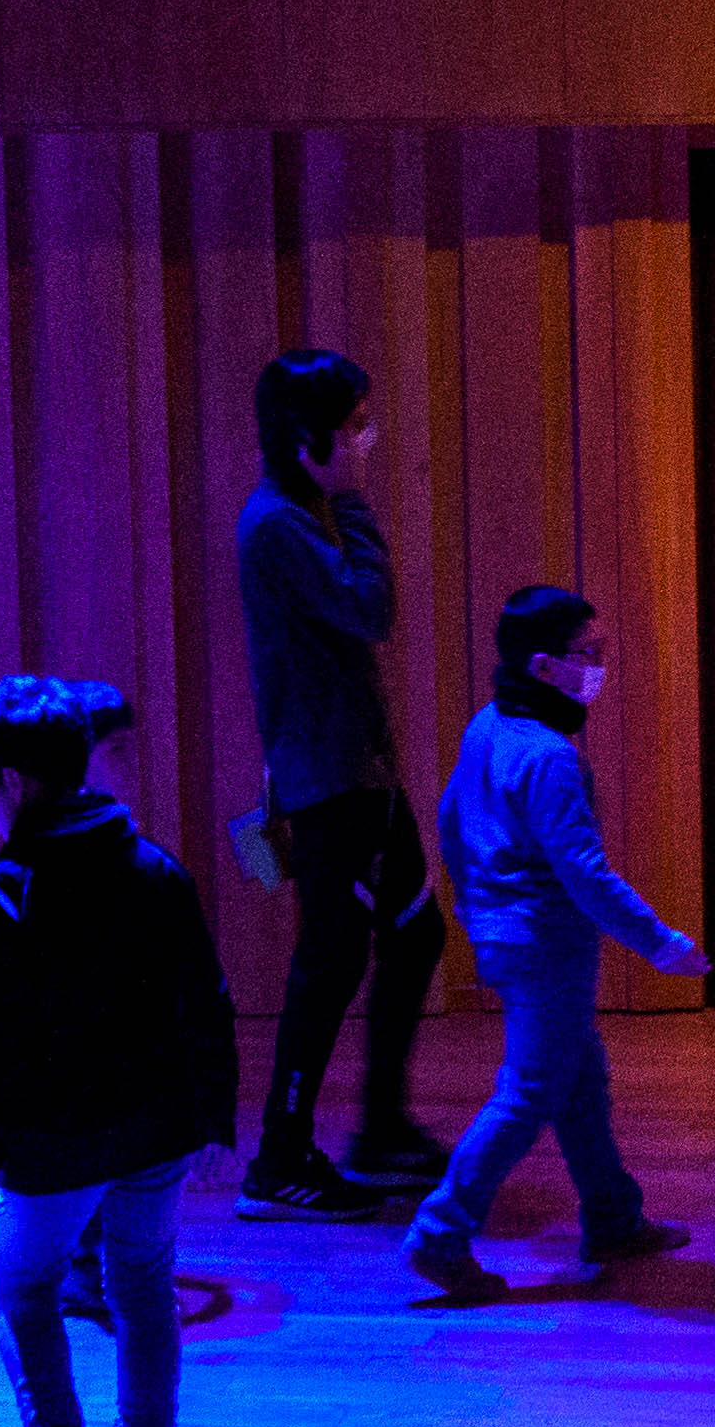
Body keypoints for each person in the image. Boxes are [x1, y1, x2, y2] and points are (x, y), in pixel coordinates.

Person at [0, 675, 238, 1427]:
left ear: (13, 782)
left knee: (21, 1287)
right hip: (158, 1130)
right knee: (143, 1285)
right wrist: (212, 1114)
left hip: (56, 1142)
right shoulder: (154, 865)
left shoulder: (12, 888)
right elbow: (206, 1000)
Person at [407, 587, 715, 1299]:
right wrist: (660, 943)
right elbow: (585, 874)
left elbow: (452, 819)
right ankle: (440, 1233)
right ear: (545, 666)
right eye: (591, 654)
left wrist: (474, 904)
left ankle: (613, 1217)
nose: (601, 666)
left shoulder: (488, 726)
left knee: (579, 1082)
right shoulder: (549, 757)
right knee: (528, 1094)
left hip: (506, 933)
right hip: (547, 944)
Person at [235, 347, 440, 1221]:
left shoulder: (306, 508)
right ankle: (280, 1157)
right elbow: (369, 609)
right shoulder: (283, 522)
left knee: (416, 934)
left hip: (361, 772)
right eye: (355, 425)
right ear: (308, 437)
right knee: (329, 962)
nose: (368, 438)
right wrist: (354, 507)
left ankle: (382, 1126)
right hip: (331, 782)